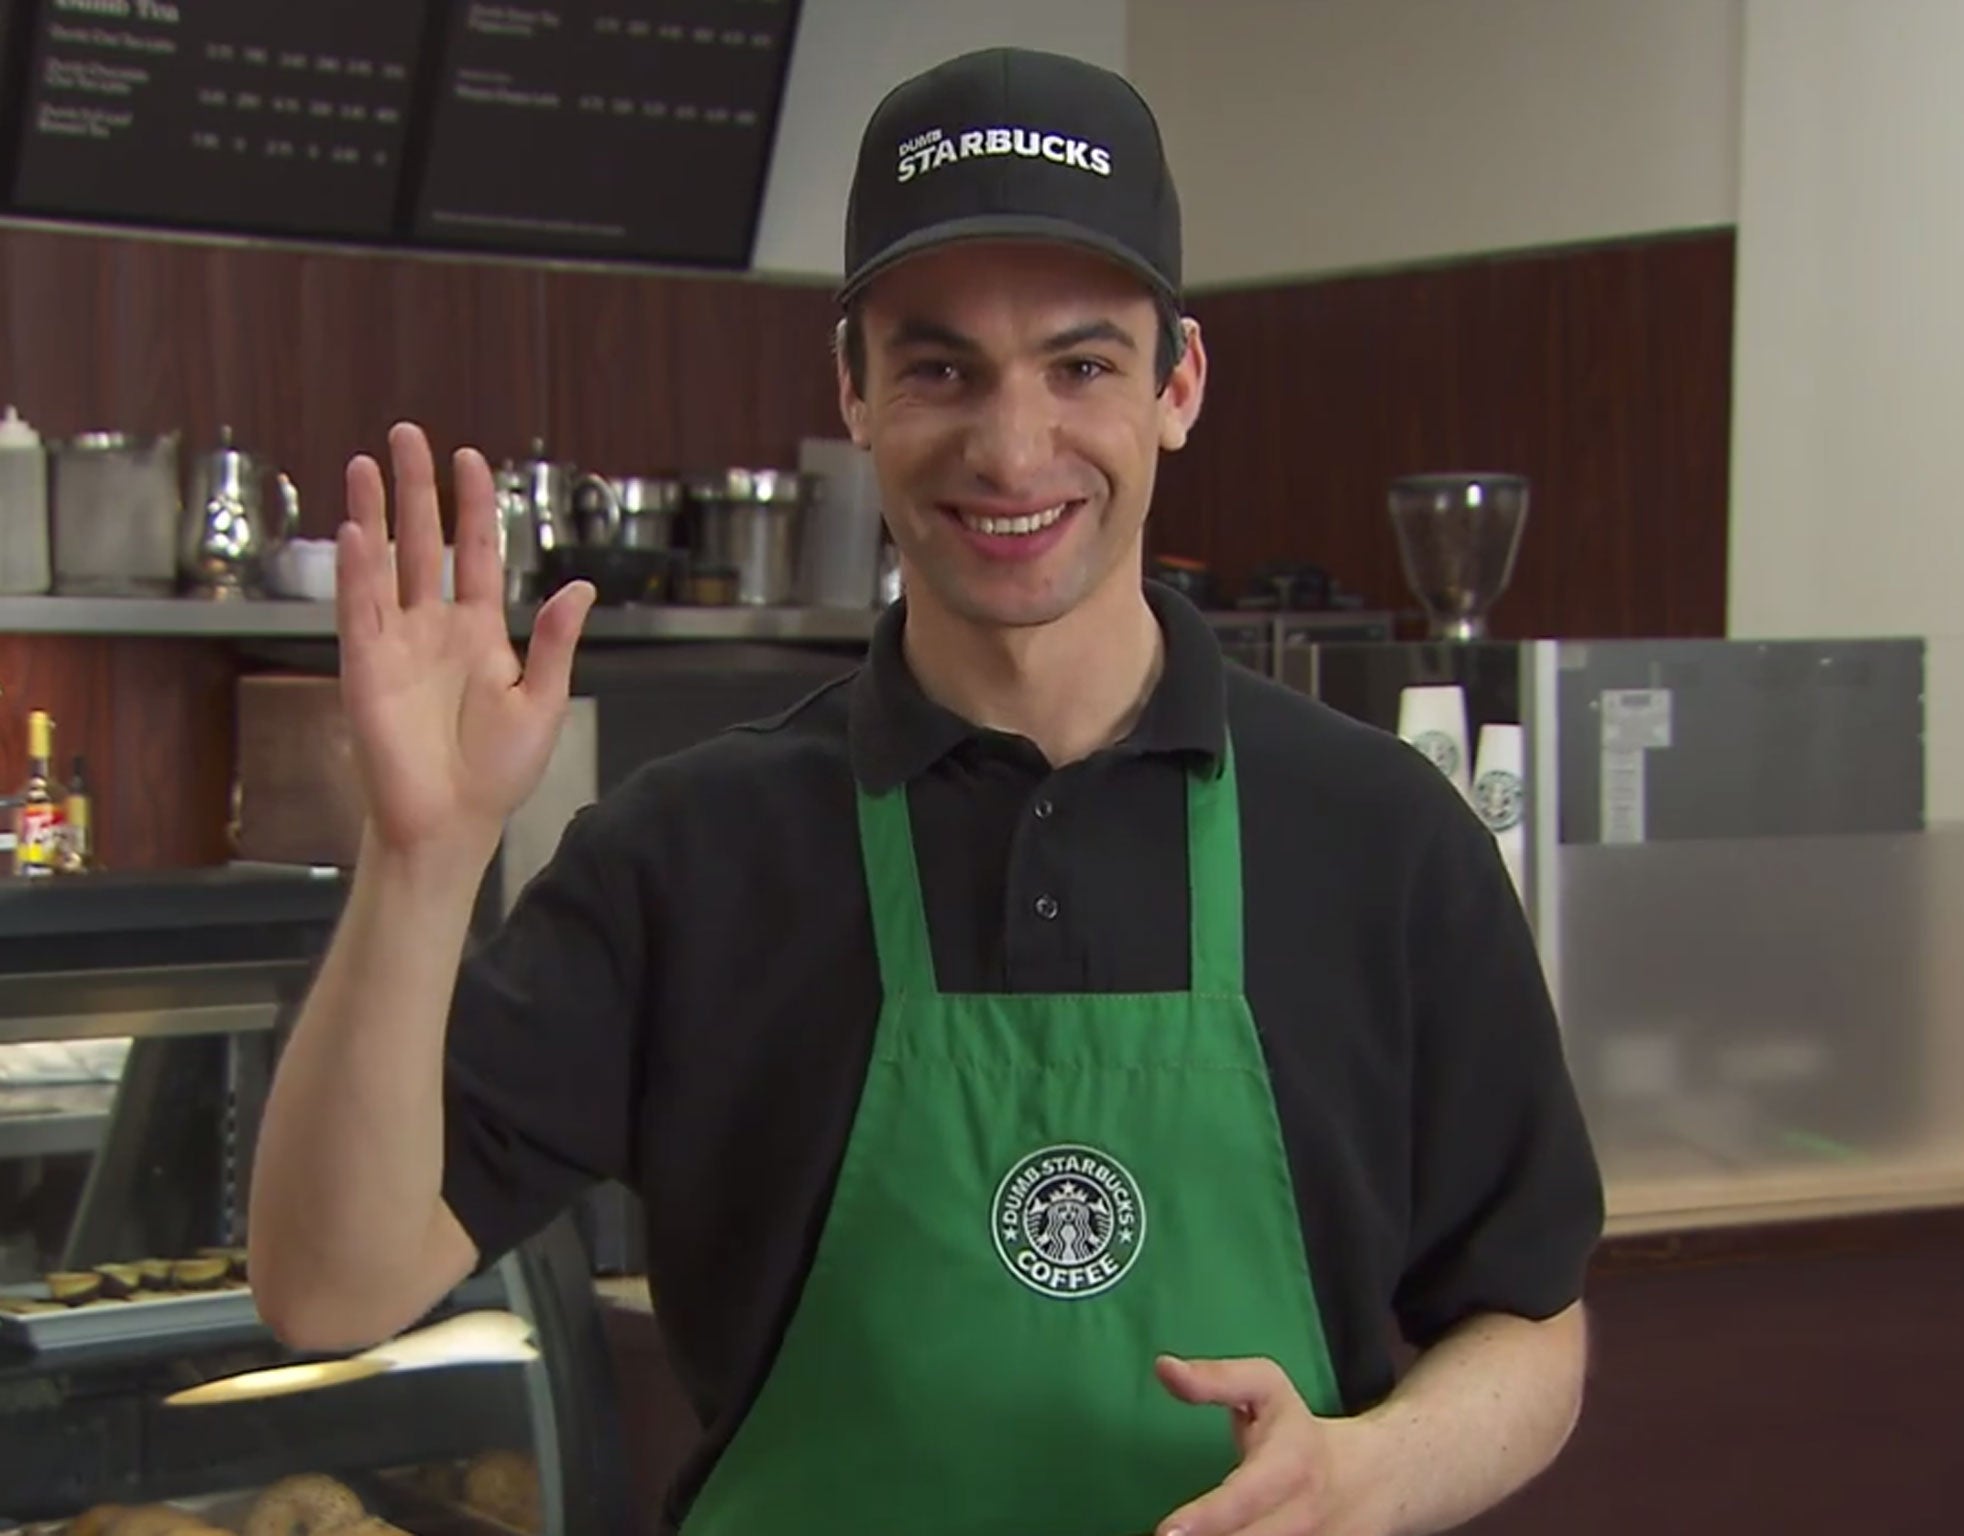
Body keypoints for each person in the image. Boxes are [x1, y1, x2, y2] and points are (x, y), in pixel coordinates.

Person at [249, 45, 1604, 1536]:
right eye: (940, 366)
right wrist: (421, 853)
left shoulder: (1382, 840)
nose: (1011, 446)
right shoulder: (691, 856)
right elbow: (332, 1285)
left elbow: (1533, 1324)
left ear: (1179, 384)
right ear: (854, 392)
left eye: (1081, 365)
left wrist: (1370, 1475)